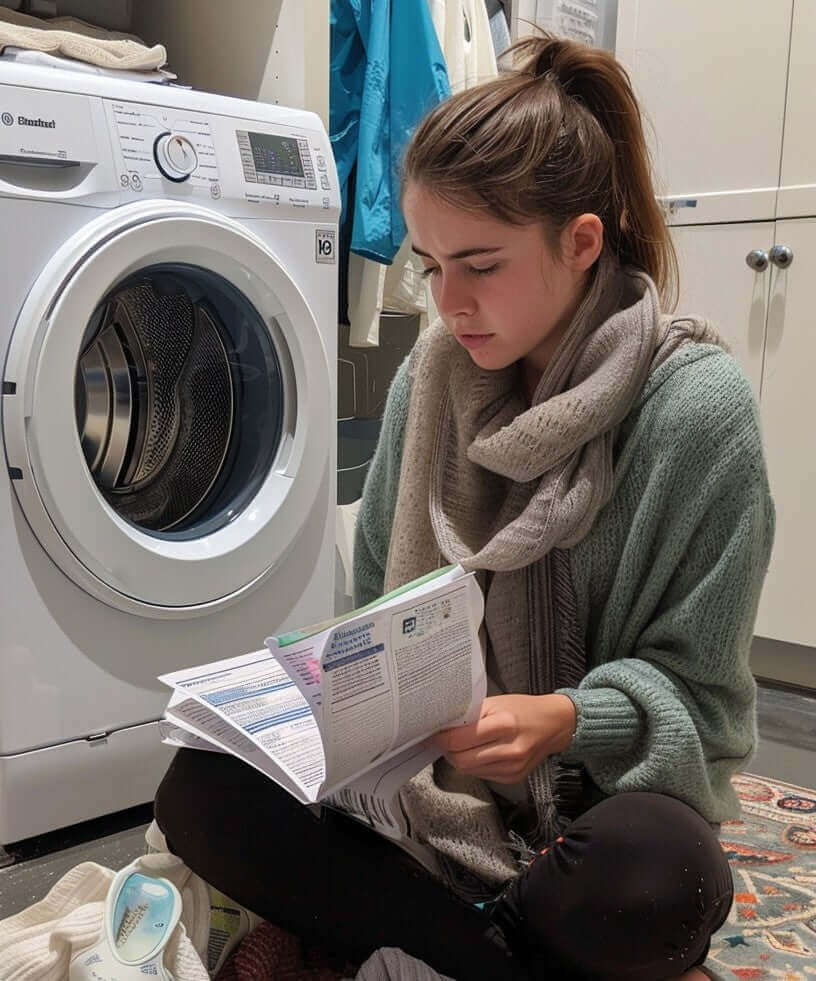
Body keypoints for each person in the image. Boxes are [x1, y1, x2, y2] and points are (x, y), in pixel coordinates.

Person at [155, 34, 775, 981]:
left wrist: (567, 719)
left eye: (481, 264)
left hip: (591, 803)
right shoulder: (429, 383)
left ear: (580, 243)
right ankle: (495, 956)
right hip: (425, 792)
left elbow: (711, 707)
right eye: (430, 264)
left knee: (655, 876)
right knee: (198, 790)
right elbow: (374, 613)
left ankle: (412, 937)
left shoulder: (695, 410)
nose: (451, 303)